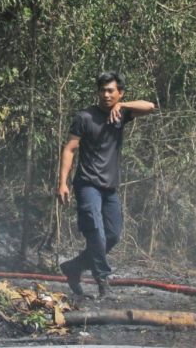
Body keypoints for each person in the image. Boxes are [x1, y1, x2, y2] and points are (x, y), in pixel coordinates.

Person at [56, 71, 156, 298]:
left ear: (120, 93)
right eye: (102, 90)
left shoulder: (121, 114)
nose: (106, 94)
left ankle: (74, 267)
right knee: (96, 233)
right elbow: (70, 148)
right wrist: (63, 183)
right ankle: (103, 281)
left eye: (111, 90)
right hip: (87, 184)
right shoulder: (85, 117)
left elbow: (150, 106)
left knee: (113, 235)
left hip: (110, 187)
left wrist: (122, 107)